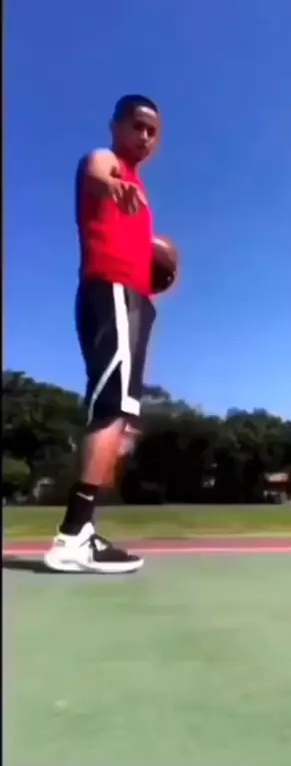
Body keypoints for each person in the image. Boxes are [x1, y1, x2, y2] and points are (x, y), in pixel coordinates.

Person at [44, 95, 161, 574]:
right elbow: (96, 173)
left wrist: (159, 260)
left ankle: (82, 531)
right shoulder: (106, 161)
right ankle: (73, 535)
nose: (145, 136)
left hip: (131, 297)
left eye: (153, 131)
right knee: (112, 406)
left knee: (120, 412)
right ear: (116, 126)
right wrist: (112, 185)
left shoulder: (138, 185)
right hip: (111, 289)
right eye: (137, 125)